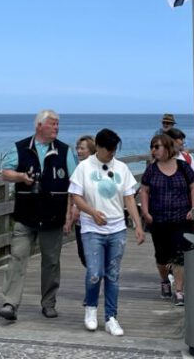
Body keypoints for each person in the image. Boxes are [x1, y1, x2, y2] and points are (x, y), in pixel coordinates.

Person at [0, 109, 76, 321]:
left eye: (58, 124)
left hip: (53, 216)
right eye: (52, 124)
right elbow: (5, 173)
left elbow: (75, 183)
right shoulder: (20, 147)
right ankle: (10, 303)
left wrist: (71, 212)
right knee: (17, 257)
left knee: (51, 261)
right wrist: (21, 176)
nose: (56, 128)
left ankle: (48, 303)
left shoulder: (65, 151)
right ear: (39, 126)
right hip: (26, 215)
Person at [70, 128, 145, 337]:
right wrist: (92, 212)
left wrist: (138, 225)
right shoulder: (84, 167)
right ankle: (91, 307)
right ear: (99, 147)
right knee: (95, 273)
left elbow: (129, 198)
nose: (112, 153)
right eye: (109, 149)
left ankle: (111, 317)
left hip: (117, 228)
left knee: (113, 275)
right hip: (92, 228)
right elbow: (76, 196)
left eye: (114, 149)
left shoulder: (121, 167)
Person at [140, 133, 194, 307]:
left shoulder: (182, 167)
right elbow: (144, 190)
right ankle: (165, 280)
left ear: (167, 147)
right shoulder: (151, 169)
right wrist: (145, 211)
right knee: (162, 256)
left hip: (181, 218)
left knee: (180, 255)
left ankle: (179, 290)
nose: (153, 150)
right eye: (152, 147)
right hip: (158, 219)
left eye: (157, 147)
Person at [67, 135, 96, 267]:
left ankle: (96, 274)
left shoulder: (94, 168)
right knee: (83, 254)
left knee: (90, 253)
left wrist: (76, 208)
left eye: (82, 148)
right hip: (80, 219)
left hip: (92, 217)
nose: (78, 151)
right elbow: (72, 192)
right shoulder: (78, 167)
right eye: (77, 148)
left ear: (91, 150)